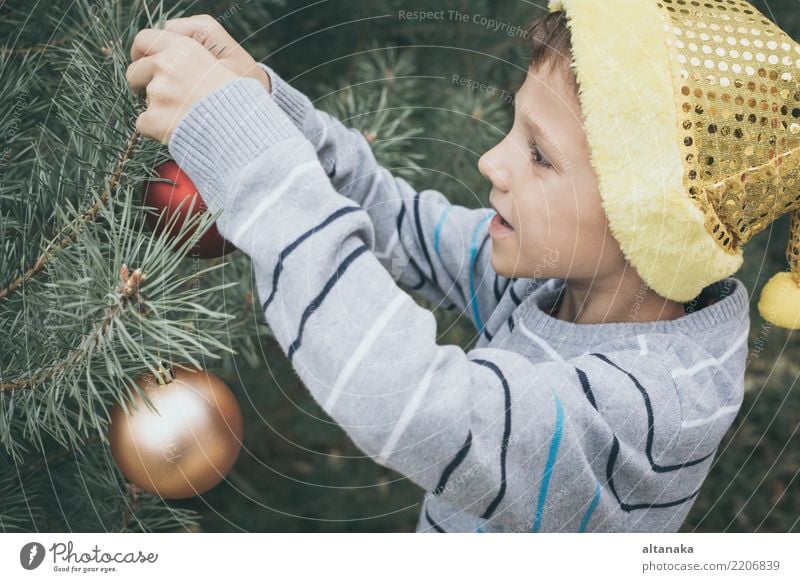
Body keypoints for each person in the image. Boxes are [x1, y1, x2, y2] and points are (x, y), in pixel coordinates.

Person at [126, 0, 800, 531]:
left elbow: (412, 403)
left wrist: (249, 155)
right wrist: (265, 105)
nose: (492, 163)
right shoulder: (561, 281)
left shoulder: (650, 411)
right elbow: (405, 226)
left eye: (539, 154)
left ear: (646, 217)